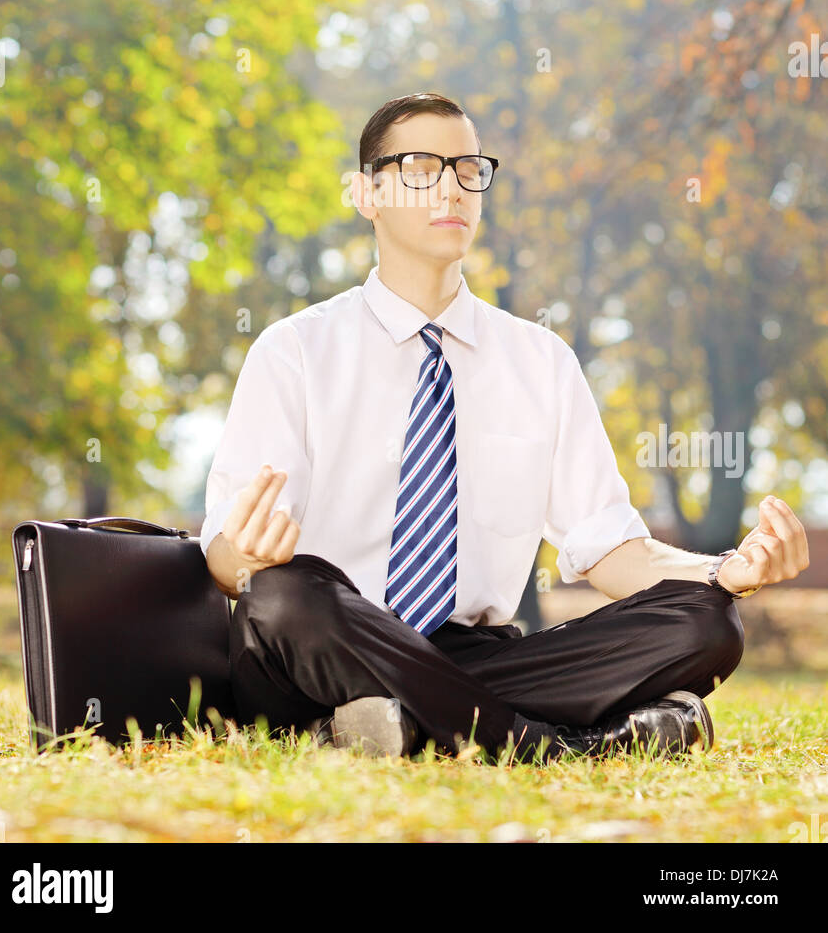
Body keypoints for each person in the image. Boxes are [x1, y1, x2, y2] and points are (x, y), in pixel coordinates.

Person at [201, 92, 810, 765]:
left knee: (705, 621)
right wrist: (244, 559)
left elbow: (609, 548)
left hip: (471, 650)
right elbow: (226, 562)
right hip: (323, 641)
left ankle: (381, 726)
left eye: (467, 168)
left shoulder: (539, 360)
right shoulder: (296, 351)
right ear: (367, 193)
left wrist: (727, 569)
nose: (452, 187)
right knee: (285, 596)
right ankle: (557, 748)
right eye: (420, 167)